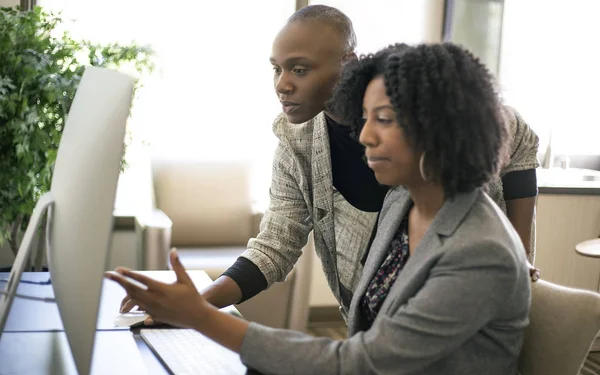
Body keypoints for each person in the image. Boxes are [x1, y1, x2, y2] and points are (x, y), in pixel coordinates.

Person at [108, 43, 531, 375]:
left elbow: (365, 362)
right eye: (364, 118)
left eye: (382, 119)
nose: (365, 135)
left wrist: (200, 316)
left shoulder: (480, 249)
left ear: (439, 128)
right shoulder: (403, 204)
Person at [120, 5, 539, 321]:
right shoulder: (296, 139)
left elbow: (518, 134)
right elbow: (276, 243)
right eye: (277, 69)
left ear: (348, 64)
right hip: (370, 328)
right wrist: (198, 302)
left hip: (455, 315)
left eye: (299, 69)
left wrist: (518, 253)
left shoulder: (414, 114)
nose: (282, 84)